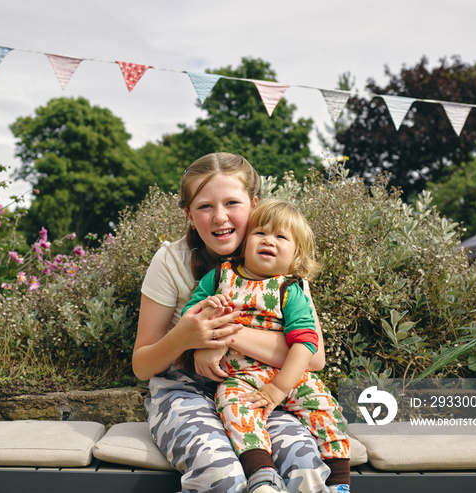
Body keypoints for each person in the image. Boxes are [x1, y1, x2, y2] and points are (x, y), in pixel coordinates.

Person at [132, 153, 332, 493]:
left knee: (303, 467)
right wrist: (183, 338)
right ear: (189, 216)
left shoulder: (281, 263)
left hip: (259, 387)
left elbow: (313, 358)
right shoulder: (171, 261)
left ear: (254, 205)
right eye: (205, 206)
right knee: (221, 475)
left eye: (232, 203)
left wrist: (227, 336)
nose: (220, 217)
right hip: (185, 392)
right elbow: (141, 364)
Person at [182, 199, 350, 493]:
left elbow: (305, 344)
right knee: (233, 407)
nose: (269, 240)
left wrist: (279, 387)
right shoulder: (220, 277)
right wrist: (208, 313)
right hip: (240, 377)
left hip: (289, 375)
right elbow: (189, 318)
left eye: (281, 237)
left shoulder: (290, 289)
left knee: (325, 408)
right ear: (245, 242)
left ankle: (338, 481)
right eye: (260, 233)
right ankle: (262, 472)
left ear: (296, 256)